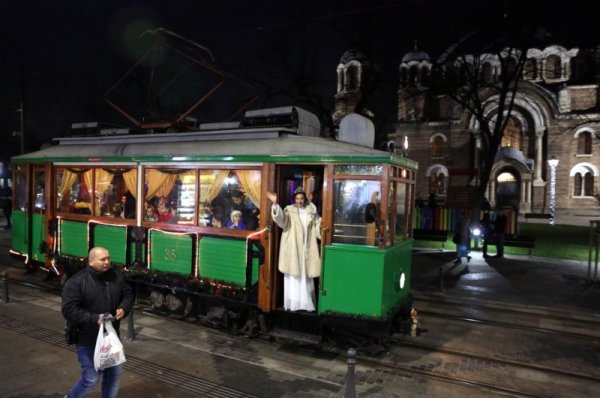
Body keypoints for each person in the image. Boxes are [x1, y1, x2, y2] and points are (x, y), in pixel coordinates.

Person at [61, 247, 135, 398]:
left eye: (108, 258)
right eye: (103, 259)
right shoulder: (76, 282)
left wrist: (124, 307)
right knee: (91, 378)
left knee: (113, 377)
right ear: (91, 261)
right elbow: (69, 310)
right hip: (87, 340)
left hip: (111, 338)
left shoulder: (115, 275)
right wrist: (94, 318)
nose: (107, 262)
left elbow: (128, 293)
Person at [268, 187, 322, 312]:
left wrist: (322, 228)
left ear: (305, 199)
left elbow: (319, 223)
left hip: (306, 247)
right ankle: (294, 304)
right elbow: (281, 220)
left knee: (305, 274)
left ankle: (306, 303)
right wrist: (275, 204)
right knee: (293, 276)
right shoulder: (289, 210)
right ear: (294, 199)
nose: (299, 201)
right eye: (297, 199)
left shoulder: (311, 210)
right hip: (293, 248)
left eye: (301, 198)